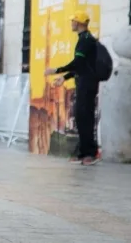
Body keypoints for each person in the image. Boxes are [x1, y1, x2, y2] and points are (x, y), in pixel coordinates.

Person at [45, 10, 101, 166]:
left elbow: (78, 63)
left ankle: (90, 153)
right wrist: (65, 77)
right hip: (82, 83)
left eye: (73, 21)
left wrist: (58, 70)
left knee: (86, 118)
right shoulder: (83, 39)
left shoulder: (86, 40)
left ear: (79, 22)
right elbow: (80, 66)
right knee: (80, 118)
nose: (71, 23)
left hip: (88, 84)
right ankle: (83, 152)